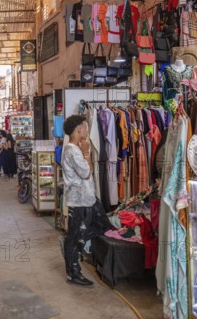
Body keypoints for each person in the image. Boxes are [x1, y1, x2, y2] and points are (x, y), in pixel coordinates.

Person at [61, 115, 113, 286]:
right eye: (85, 127)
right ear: (78, 130)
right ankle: (73, 273)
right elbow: (86, 172)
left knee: (103, 224)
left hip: (88, 198)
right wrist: (86, 154)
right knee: (77, 238)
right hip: (79, 201)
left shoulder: (74, 150)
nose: (87, 130)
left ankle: (69, 243)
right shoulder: (72, 151)